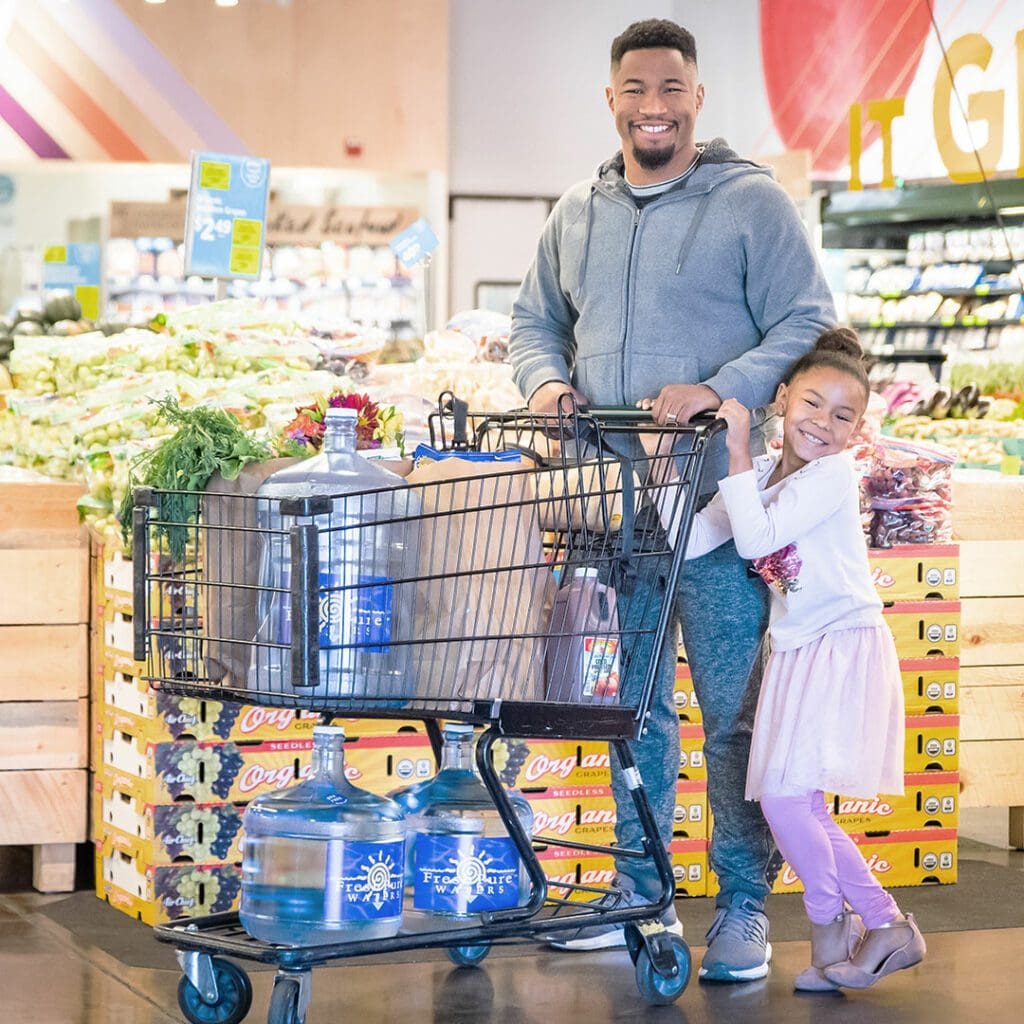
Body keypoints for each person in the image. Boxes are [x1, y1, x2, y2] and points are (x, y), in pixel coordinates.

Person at [508, 18, 836, 981]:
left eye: (671, 89)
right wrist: (541, 382)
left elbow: (806, 317)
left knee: (734, 709)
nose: (654, 106)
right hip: (610, 509)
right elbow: (535, 319)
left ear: (697, 99)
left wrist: (726, 388)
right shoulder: (576, 211)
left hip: (724, 508)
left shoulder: (751, 205)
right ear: (611, 99)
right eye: (636, 90)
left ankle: (743, 905)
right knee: (630, 708)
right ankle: (636, 891)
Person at [681, 329, 927, 992]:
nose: (822, 423)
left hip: (839, 643)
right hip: (796, 649)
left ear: (857, 430)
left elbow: (757, 535)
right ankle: (878, 924)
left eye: (842, 415)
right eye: (812, 403)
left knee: (788, 799)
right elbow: (702, 534)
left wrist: (731, 446)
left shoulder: (830, 477)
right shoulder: (761, 475)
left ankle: (833, 926)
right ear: (784, 398)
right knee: (799, 801)